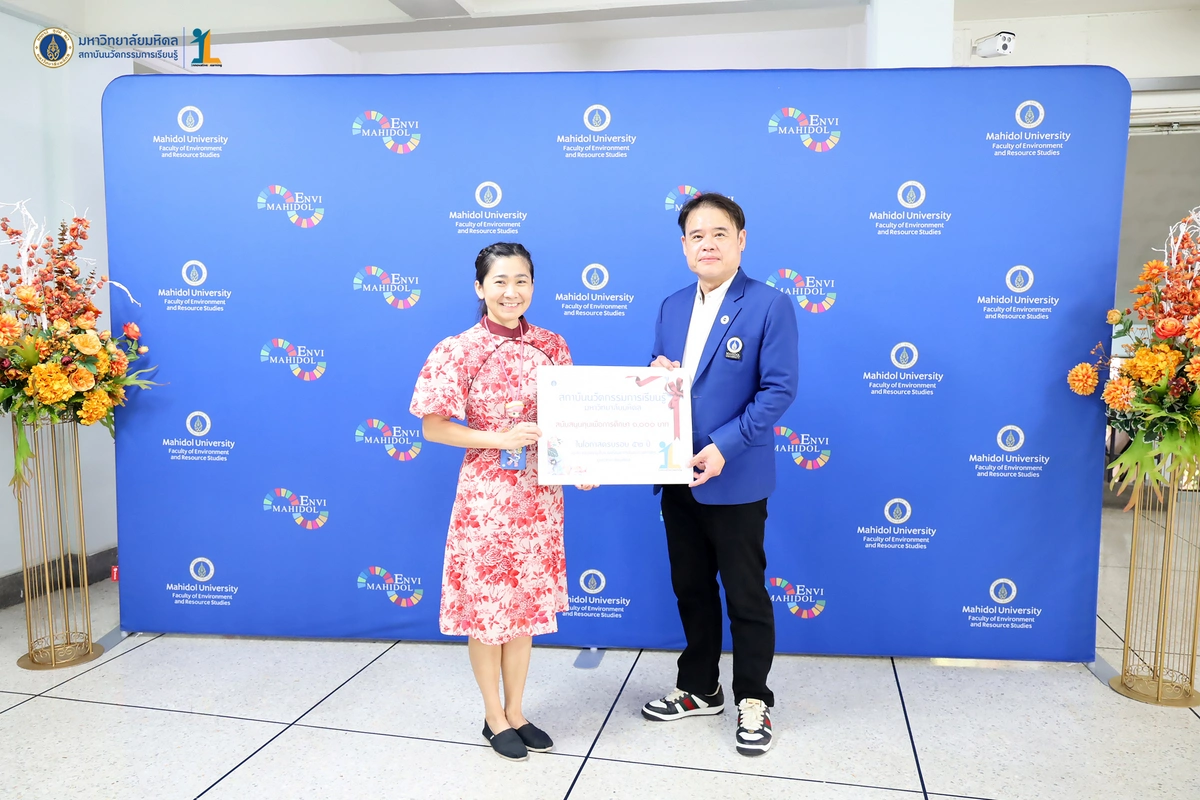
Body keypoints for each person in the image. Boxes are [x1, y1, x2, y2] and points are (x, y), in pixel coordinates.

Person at [410, 242, 594, 762]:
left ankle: (518, 711)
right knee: (488, 611)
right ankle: (493, 716)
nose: (512, 292)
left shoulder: (552, 345)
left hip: (539, 497)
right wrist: (500, 439)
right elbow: (434, 428)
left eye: (521, 281)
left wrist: (582, 465)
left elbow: (569, 421)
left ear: (533, 285)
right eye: (500, 281)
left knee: (525, 611)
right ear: (480, 288)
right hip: (486, 500)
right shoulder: (458, 350)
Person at [640, 193, 799, 756]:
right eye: (696, 236)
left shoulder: (770, 304)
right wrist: (656, 375)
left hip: (734, 475)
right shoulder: (671, 306)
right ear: (684, 246)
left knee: (745, 593)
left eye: (719, 234)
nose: (707, 244)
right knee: (691, 588)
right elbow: (663, 380)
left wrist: (724, 447)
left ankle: (753, 697)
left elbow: (778, 389)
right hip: (676, 472)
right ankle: (700, 688)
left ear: (741, 240)